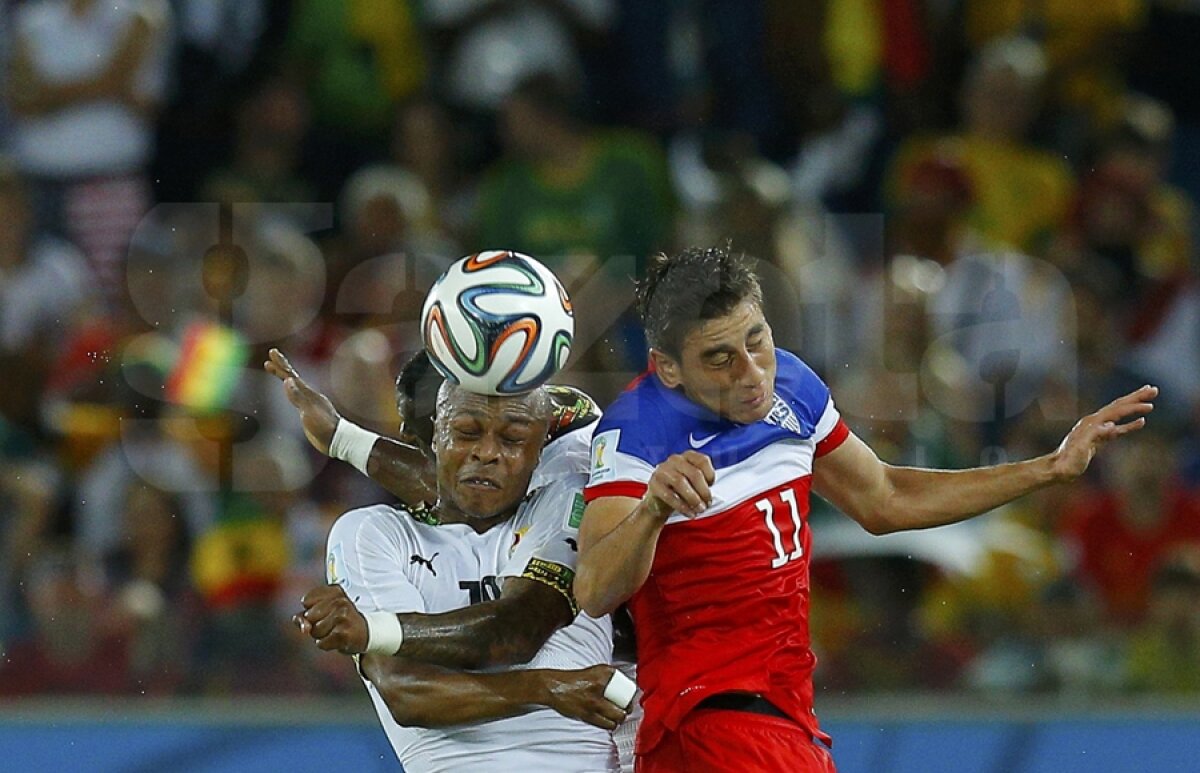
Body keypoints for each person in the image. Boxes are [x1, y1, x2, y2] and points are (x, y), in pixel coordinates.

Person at [574, 245, 1158, 772]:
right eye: (720, 359)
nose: (752, 375)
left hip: (784, 715)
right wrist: (652, 510)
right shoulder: (638, 432)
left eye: (757, 341)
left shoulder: (793, 388)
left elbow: (884, 497)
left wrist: (1047, 468)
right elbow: (595, 589)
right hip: (711, 723)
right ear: (668, 366)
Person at [267, 348, 644, 771]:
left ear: (538, 446)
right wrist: (545, 687)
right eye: (466, 430)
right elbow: (406, 691)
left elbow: (519, 628)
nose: (487, 453)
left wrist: (346, 439)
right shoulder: (370, 534)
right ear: (432, 436)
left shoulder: (562, 502)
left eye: (512, 436)